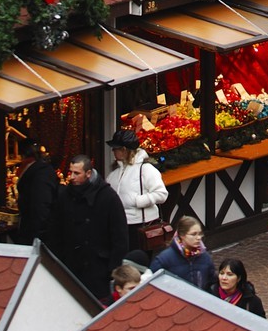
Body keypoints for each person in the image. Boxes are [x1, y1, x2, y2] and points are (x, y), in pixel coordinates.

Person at [49, 153, 128, 303]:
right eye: (70, 172)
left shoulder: (108, 197)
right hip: (71, 266)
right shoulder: (65, 196)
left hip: (99, 268)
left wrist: (113, 269)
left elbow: (120, 236)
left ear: (88, 173)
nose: (72, 177)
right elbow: (56, 231)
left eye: (76, 173)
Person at [105, 126, 168, 251]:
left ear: (124, 150)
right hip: (122, 225)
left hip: (141, 226)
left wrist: (138, 201)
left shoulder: (145, 169)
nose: (113, 151)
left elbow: (162, 194)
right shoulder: (113, 174)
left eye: (115, 148)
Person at [151, 215, 217, 291]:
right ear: (182, 235)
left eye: (200, 234)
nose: (198, 237)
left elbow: (211, 283)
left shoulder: (205, 257)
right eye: (193, 234)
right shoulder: (164, 259)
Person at [16, 147, 59, 244]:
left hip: (37, 232)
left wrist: (38, 236)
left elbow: (41, 206)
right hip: (36, 229)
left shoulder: (40, 174)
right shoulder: (40, 171)